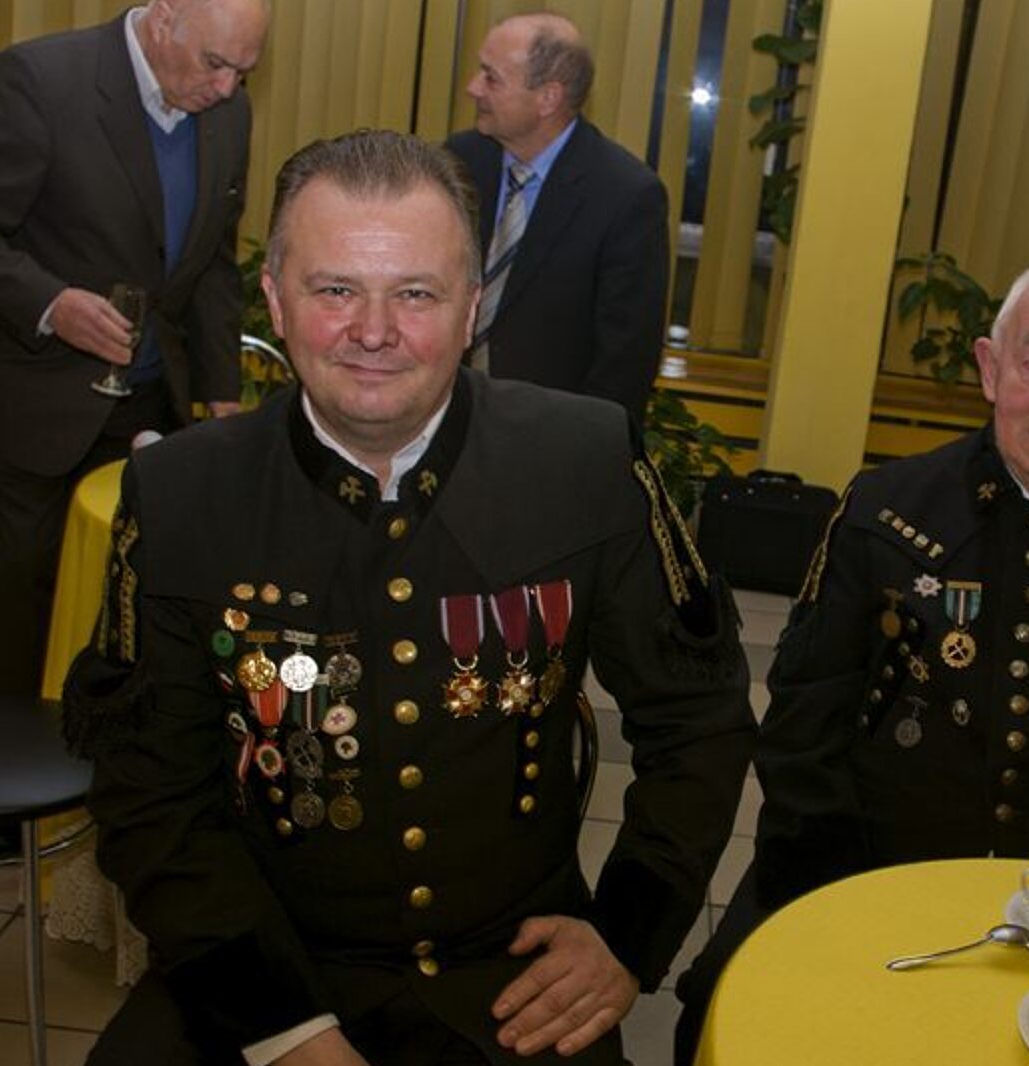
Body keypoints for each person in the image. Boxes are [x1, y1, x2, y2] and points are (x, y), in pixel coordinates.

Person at [67, 129, 755, 1066]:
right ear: (276, 299)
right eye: (335, 289)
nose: (374, 331)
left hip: (512, 977)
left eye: (416, 294)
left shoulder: (585, 461)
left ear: (472, 308)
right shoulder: (183, 495)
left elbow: (699, 718)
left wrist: (628, 933)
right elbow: (149, 791)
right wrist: (284, 1029)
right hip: (261, 962)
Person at [673, 255, 1029, 1063]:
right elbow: (803, 726)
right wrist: (845, 895)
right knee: (720, 1008)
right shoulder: (882, 512)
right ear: (990, 367)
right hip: (857, 873)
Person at [0, 0, 270, 700]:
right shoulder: (41, 80)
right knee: (31, 583)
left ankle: (109, 742)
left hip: (148, 393)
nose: (227, 88)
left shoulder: (228, 112)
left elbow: (210, 263)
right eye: (215, 63)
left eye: (243, 70)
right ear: (164, 17)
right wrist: (52, 305)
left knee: (134, 589)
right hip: (34, 392)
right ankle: (12, 753)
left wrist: (220, 393)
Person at [445, 13, 669, 424]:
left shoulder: (626, 195)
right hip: (444, 415)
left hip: (547, 430)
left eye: (491, 77)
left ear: (548, 98)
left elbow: (626, 358)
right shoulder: (459, 160)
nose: (473, 88)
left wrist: (582, 447)